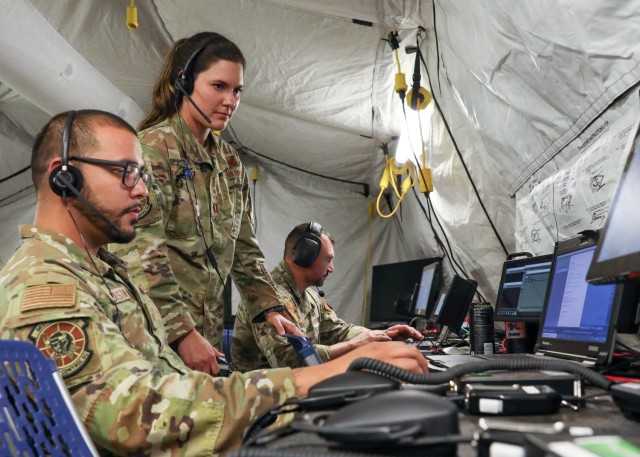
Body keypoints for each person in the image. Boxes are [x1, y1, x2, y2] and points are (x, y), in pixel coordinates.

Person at [0, 109, 427, 455]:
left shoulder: (104, 271)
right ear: (64, 176)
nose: (143, 191)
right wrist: (319, 377)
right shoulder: (47, 286)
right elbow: (135, 415)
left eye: (143, 175)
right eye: (126, 172)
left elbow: (166, 385)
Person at [109, 32, 300, 376]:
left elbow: (244, 249)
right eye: (219, 86)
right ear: (184, 82)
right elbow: (140, 255)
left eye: (237, 90)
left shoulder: (229, 162)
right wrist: (181, 333)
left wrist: (270, 309)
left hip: (206, 336)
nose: (230, 100)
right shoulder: (153, 151)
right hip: (155, 335)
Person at [232, 222, 424, 371]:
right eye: (328, 259)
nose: (331, 268)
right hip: (263, 397)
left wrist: (381, 336)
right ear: (304, 255)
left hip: (295, 386)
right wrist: (356, 345)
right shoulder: (267, 299)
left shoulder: (310, 297)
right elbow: (289, 361)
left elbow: (338, 330)